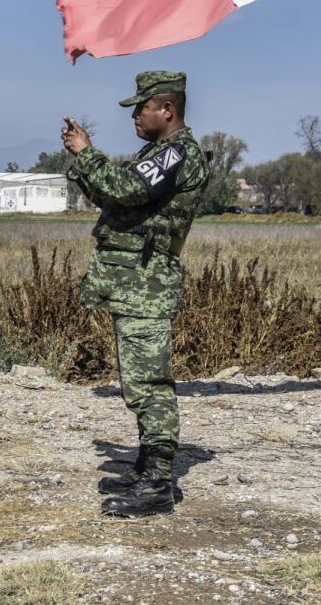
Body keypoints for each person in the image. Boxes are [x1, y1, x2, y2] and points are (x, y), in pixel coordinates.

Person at [60, 70, 209, 518]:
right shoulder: (160, 153)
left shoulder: (178, 153)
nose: (136, 117)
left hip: (146, 283)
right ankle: (147, 468)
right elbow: (117, 197)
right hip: (134, 282)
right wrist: (84, 161)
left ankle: (159, 484)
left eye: (141, 108)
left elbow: (124, 188)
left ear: (167, 109)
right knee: (138, 378)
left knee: (149, 383)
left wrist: (88, 154)